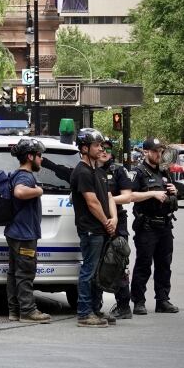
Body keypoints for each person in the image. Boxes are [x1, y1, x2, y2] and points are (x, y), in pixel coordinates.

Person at [70, 128, 117, 328]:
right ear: (84, 148)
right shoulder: (81, 172)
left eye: (101, 145)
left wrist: (114, 218)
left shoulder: (98, 171)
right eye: (96, 145)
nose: (101, 148)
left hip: (102, 229)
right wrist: (107, 222)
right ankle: (84, 313)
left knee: (99, 272)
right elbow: (92, 202)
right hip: (91, 230)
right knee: (88, 271)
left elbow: (107, 197)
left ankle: (95, 309)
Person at [128, 137, 180, 315]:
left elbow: (171, 197)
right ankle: (139, 301)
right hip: (147, 226)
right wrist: (152, 194)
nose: (159, 154)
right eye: (156, 151)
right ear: (146, 152)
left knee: (164, 265)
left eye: (161, 151)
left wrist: (174, 192)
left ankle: (163, 300)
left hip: (165, 225)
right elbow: (131, 195)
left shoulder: (164, 172)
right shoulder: (139, 172)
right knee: (143, 264)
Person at [6, 139, 51, 324]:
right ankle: (27, 311)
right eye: (39, 155)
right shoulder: (25, 176)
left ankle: (15, 311)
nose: (41, 159)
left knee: (14, 273)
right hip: (24, 235)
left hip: (16, 232)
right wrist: (39, 191)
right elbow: (19, 192)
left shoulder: (18, 174)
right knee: (25, 273)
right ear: (30, 157)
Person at [98, 139, 135, 320]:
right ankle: (95, 306)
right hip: (97, 222)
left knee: (119, 263)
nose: (104, 152)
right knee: (98, 264)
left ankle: (123, 306)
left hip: (117, 222)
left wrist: (107, 199)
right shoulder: (91, 170)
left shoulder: (118, 171)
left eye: (108, 149)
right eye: (101, 148)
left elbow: (127, 197)